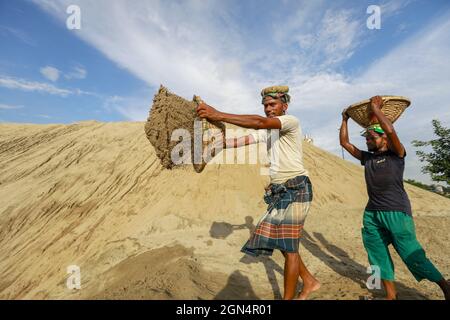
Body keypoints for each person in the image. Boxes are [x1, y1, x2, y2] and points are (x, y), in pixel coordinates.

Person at [196, 86, 320, 300]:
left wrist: (218, 114)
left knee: (290, 249)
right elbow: (240, 141)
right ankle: (309, 282)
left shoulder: (291, 121)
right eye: (265, 106)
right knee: (283, 244)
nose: (268, 109)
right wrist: (219, 144)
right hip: (280, 192)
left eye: (273, 105)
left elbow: (260, 122)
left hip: (297, 188)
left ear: (285, 106)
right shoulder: (267, 133)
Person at [339, 95, 450, 300]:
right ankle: (391, 295)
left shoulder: (397, 154)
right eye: (366, 138)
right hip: (372, 213)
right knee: (377, 254)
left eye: (372, 138)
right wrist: (344, 119)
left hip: (397, 212)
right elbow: (345, 143)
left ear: (384, 139)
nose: (368, 141)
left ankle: (445, 286)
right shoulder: (368, 157)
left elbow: (390, 129)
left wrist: (375, 109)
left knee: (411, 254)